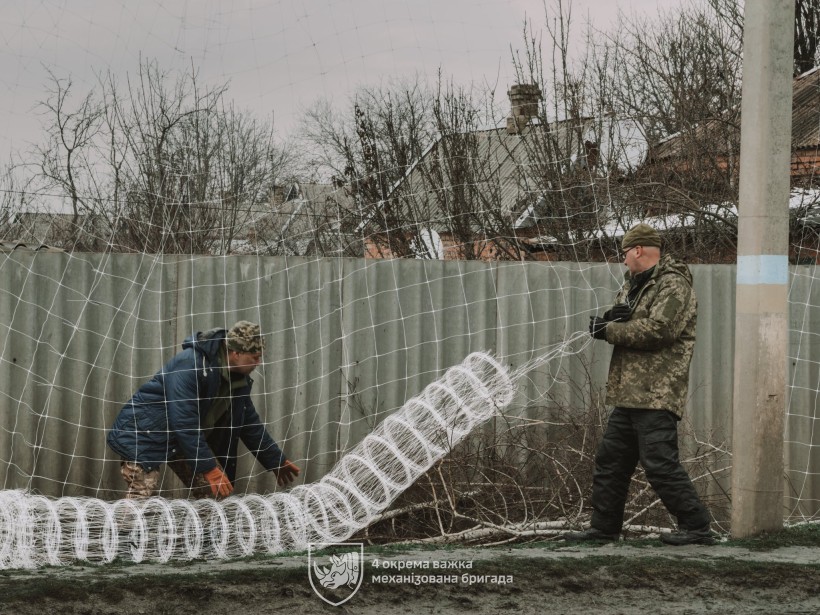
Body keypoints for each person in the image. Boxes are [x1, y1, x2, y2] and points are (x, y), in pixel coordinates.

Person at [565, 223, 713, 546]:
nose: (623, 261)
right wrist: (610, 317)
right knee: (611, 461)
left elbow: (660, 330)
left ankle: (697, 527)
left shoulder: (674, 285)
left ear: (638, 250)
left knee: (659, 463)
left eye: (624, 253)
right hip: (629, 394)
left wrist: (610, 331)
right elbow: (627, 322)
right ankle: (603, 529)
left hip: (657, 393)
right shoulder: (633, 285)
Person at [107, 320, 301, 499]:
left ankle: (204, 536)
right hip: (144, 432)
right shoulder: (191, 364)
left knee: (215, 491)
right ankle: (122, 535)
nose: (258, 363)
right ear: (236, 353)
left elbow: (249, 424)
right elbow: (184, 420)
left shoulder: (237, 381)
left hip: (182, 439)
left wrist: (275, 459)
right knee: (141, 496)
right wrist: (208, 467)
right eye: (254, 357)